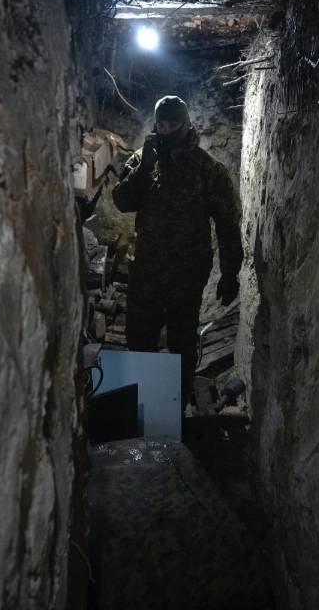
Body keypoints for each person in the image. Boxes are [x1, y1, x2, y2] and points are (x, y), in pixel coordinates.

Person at [111, 95, 242, 416]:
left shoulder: (207, 170)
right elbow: (123, 202)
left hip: (187, 272)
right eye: (161, 124)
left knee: (181, 344)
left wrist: (230, 273)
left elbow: (227, 224)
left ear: (187, 125)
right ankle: (138, 415)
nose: (166, 130)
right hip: (148, 269)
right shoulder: (144, 160)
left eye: (173, 124)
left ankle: (173, 415)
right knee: (139, 338)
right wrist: (145, 168)